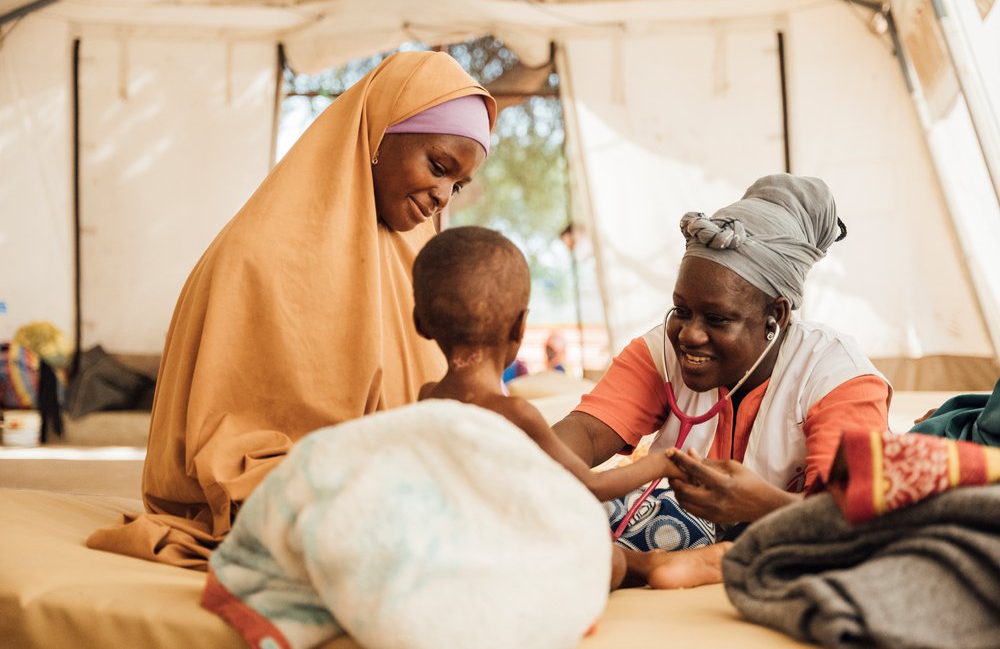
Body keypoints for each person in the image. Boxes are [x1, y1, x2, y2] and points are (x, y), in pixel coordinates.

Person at [87, 51, 497, 569]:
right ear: (376, 133)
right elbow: (232, 447)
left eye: (456, 185)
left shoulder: (411, 262)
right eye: (438, 167)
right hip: (287, 498)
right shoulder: (257, 253)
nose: (442, 196)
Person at [553, 174, 891, 555]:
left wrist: (763, 506)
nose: (689, 335)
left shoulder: (838, 377)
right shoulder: (659, 351)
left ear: (775, 316)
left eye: (717, 319)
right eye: (682, 310)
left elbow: (859, 518)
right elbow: (588, 432)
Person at [413, 225, 732, 589]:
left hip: (450, 546)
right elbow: (589, 485)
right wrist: (660, 463)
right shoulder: (517, 413)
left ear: (420, 323)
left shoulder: (426, 397)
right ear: (520, 327)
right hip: (506, 547)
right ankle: (649, 566)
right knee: (603, 554)